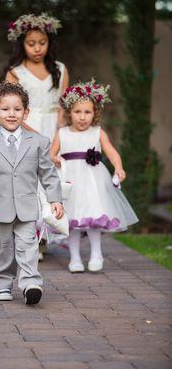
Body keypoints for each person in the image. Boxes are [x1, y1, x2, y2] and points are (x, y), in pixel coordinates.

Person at [0, 82, 63, 305]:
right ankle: (2, 284)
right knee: (3, 248)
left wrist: (55, 199)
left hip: (28, 207)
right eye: (5, 109)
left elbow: (48, 174)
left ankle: (31, 284)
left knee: (27, 245)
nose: (11, 114)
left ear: (26, 112)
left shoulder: (39, 142)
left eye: (17, 109)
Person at [50, 79, 139, 273]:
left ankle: (96, 254)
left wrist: (119, 167)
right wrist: (55, 159)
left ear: (95, 113)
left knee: (93, 217)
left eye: (87, 112)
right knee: (71, 221)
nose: (82, 117)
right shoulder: (62, 133)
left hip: (93, 181)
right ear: (69, 113)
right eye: (77, 112)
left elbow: (111, 151)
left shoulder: (98, 132)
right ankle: (74, 258)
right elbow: (51, 153)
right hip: (71, 181)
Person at [2, 13, 70, 260]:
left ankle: (46, 236)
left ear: (49, 42)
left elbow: (63, 106)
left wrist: (58, 137)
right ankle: (29, 237)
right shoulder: (15, 72)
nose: (38, 48)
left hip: (55, 130)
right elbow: (11, 109)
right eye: (32, 43)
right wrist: (36, 135)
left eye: (42, 42)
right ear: (22, 44)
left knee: (52, 182)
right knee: (29, 183)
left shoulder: (60, 70)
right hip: (26, 129)